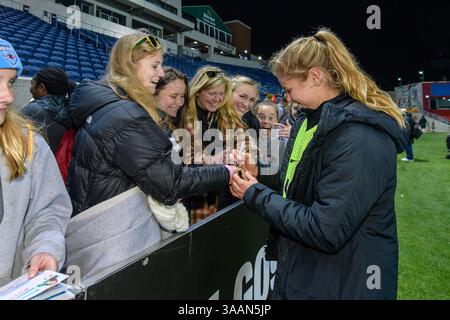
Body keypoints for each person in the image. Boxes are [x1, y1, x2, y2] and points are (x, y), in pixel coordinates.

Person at [230, 29, 407, 299]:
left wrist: (254, 194)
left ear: (315, 76)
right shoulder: (308, 120)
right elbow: (298, 186)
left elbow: (326, 229)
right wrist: (259, 176)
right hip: (306, 274)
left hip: (344, 284)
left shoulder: (360, 136)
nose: (286, 98)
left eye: (289, 89)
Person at [67, 34, 239, 217]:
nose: (161, 73)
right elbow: (170, 184)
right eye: (155, 66)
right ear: (130, 64)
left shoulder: (114, 105)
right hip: (110, 226)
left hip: (101, 216)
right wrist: (227, 171)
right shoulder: (127, 116)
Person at [0, 39, 72, 286]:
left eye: (10, 82)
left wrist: (45, 247)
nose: (8, 96)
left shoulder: (29, 144)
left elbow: (49, 207)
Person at [181, 66, 246, 222]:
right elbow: (184, 156)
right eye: (212, 93)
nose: (217, 99)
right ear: (198, 91)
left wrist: (244, 153)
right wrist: (210, 159)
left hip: (223, 191)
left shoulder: (226, 114)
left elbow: (245, 140)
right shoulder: (183, 115)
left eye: (221, 94)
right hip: (195, 195)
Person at [21, 67, 76, 154]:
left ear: (41, 87)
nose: (31, 89)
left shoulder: (34, 110)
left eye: (32, 84)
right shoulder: (72, 109)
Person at [154, 66, 189, 134]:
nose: (180, 103)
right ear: (155, 93)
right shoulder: (148, 125)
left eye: (182, 96)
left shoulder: (175, 121)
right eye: (173, 96)